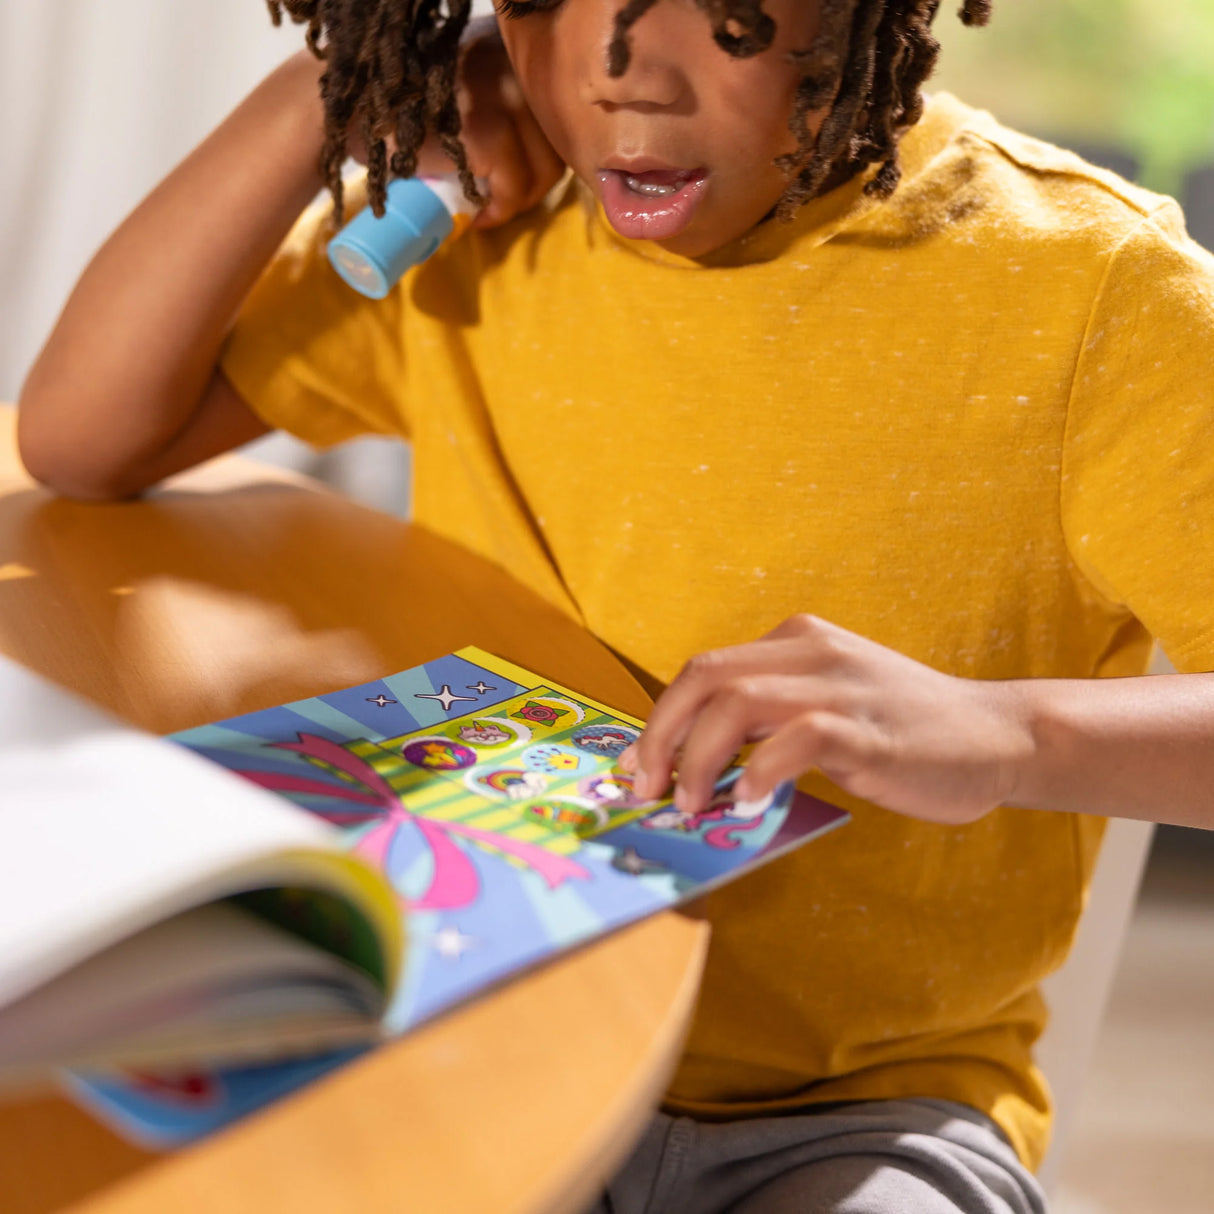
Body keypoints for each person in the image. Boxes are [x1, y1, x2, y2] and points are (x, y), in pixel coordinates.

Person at [17, 1, 1214, 1209]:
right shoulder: (486, 238)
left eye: (720, 10)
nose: (617, 77)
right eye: (542, 1)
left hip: (857, 1112)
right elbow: (82, 437)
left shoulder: (1096, 289)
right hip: (474, 1040)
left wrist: (1006, 732)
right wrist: (333, 91)